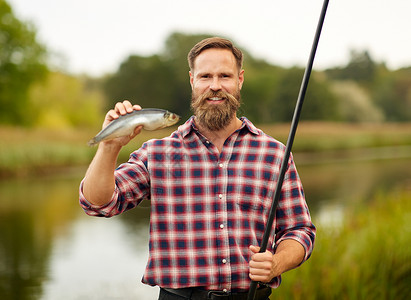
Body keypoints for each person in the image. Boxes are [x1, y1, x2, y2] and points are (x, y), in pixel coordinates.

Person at [79, 37, 316, 300]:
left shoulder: (274, 154)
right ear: (192, 81)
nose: (215, 86)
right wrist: (109, 146)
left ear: (240, 80)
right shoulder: (157, 153)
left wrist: (278, 262)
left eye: (224, 76)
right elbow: (98, 204)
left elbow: (300, 230)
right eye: (205, 76)